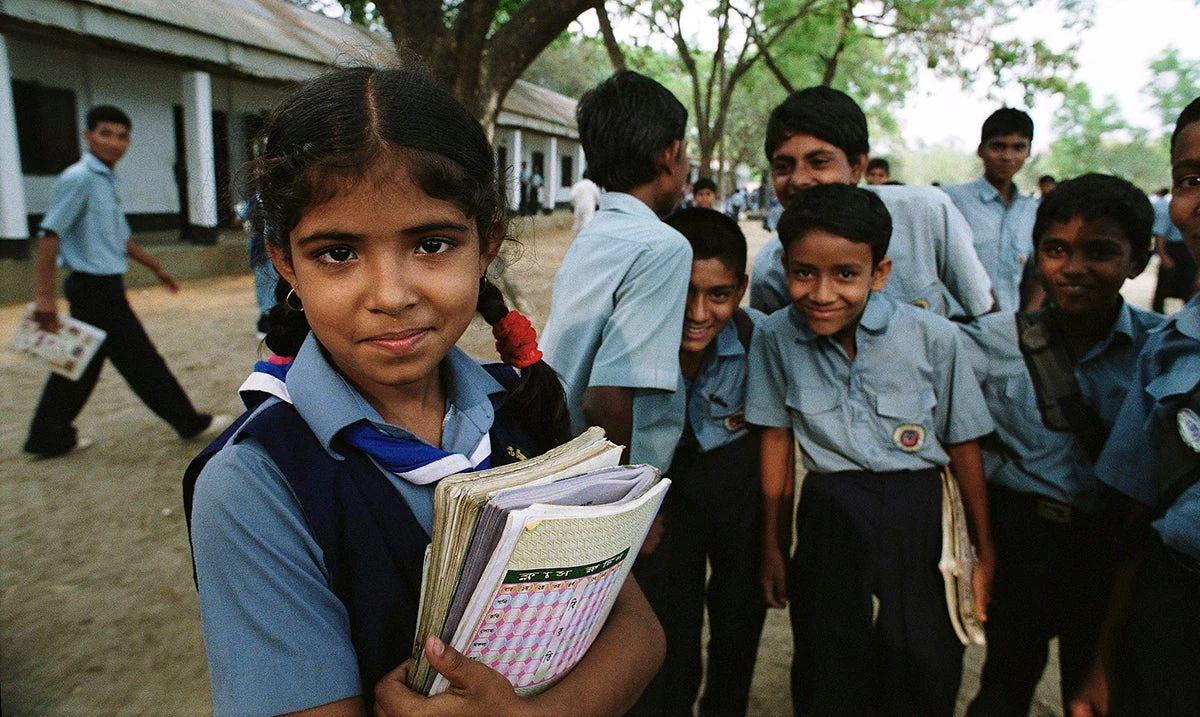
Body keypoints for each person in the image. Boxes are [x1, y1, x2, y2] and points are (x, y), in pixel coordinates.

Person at [185, 65, 665, 716]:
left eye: (432, 243)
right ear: (283, 261)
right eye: (337, 252)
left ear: (487, 240)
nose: (390, 294)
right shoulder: (256, 483)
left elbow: (640, 632)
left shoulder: (522, 406)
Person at [746, 183, 995, 716]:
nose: (822, 293)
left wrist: (983, 547)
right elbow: (776, 439)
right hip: (830, 510)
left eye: (846, 275)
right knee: (826, 656)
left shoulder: (934, 338)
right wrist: (773, 540)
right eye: (803, 272)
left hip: (919, 509)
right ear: (784, 266)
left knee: (924, 656)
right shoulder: (775, 337)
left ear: (878, 274)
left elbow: (964, 444)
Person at [958, 174, 1164, 717]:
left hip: (1111, 548)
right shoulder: (991, 344)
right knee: (1004, 682)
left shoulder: (1163, 351)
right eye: (1055, 250)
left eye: (1099, 252)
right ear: (1036, 254)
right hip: (1023, 538)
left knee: (1094, 687)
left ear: (1138, 260)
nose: (1072, 268)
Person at [1070, 96, 1200, 717]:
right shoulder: (1170, 348)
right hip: (1172, 613)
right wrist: (1102, 662)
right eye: (1190, 180)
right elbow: (1137, 518)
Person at [22, 104, 229, 459]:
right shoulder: (80, 178)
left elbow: (119, 239)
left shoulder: (106, 179)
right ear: (88, 136)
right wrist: (44, 297)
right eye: (105, 133)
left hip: (104, 286)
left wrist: (156, 267)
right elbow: (48, 234)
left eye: (121, 136)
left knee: (81, 364)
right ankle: (188, 421)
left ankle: (47, 435)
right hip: (92, 288)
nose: (114, 142)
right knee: (141, 360)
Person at [650, 207, 767, 717]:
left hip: (737, 494)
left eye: (717, 295)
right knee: (672, 629)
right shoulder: (635, 344)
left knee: (739, 620)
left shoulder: (759, 339)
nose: (698, 313)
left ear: (739, 290)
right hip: (668, 500)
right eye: (683, 293)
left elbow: (776, 436)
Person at [749, 86, 995, 319]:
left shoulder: (926, 214)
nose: (799, 180)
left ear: (857, 167)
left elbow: (985, 314)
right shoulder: (771, 268)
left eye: (819, 162)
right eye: (783, 167)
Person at [942, 108, 1040, 312]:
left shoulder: (1032, 210)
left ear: (1028, 151)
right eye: (998, 147)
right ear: (981, 150)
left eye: (1018, 148)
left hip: (1010, 328)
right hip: (960, 326)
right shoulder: (951, 201)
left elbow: (1036, 273)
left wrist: (1027, 321)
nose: (1007, 156)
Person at [1150, 187, 1198, 313]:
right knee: (1164, 288)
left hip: (1189, 252)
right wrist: (1163, 256)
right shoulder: (1170, 208)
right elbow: (1160, 235)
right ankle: (1158, 317)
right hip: (1173, 251)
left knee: (1188, 289)